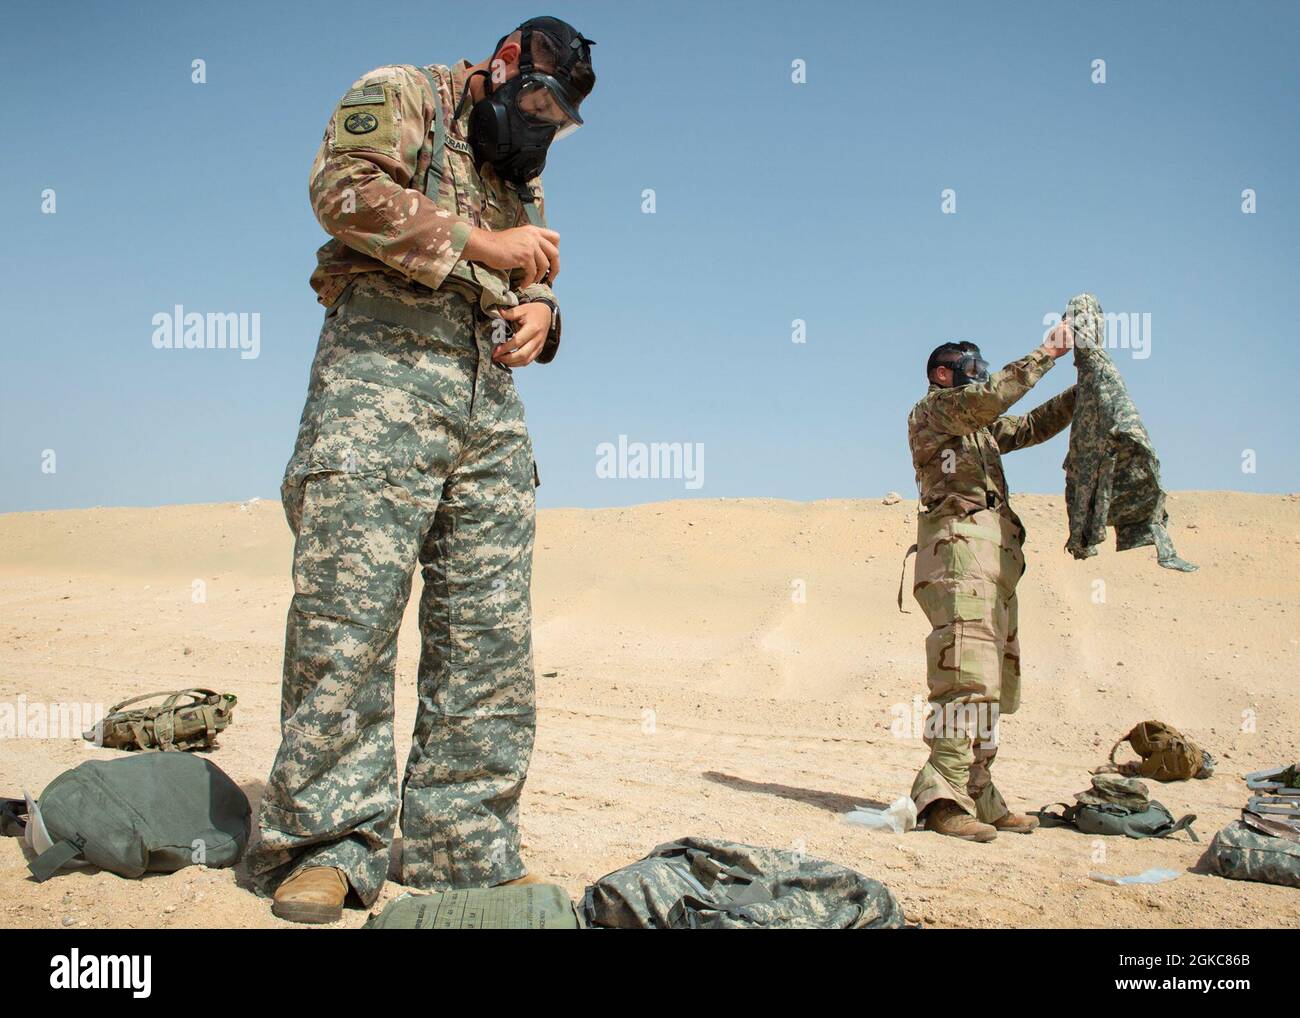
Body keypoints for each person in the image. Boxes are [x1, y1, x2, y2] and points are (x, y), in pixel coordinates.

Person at [246, 16, 596, 923]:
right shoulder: (404, 92)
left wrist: (544, 315)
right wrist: (484, 249)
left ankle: (463, 846)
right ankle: (324, 845)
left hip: (487, 404)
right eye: (540, 105)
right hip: (380, 377)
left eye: (559, 122)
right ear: (506, 62)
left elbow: (536, 267)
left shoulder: (519, 166)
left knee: (487, 639)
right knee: (348, 618)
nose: (544, 130)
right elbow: (343, 190)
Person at [905, 320, 1075, 842]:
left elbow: (1028, 426)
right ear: (942, 374)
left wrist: (1080, 392)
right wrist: (1048, 353)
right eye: (970, 370)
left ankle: (978, 791)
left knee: (993, 685)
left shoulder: (976, 429)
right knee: (964, 679)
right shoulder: (935, 412)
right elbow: (990, 399)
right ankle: (939, 799)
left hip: (992, 559)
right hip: (957, 552)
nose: (979, 378)